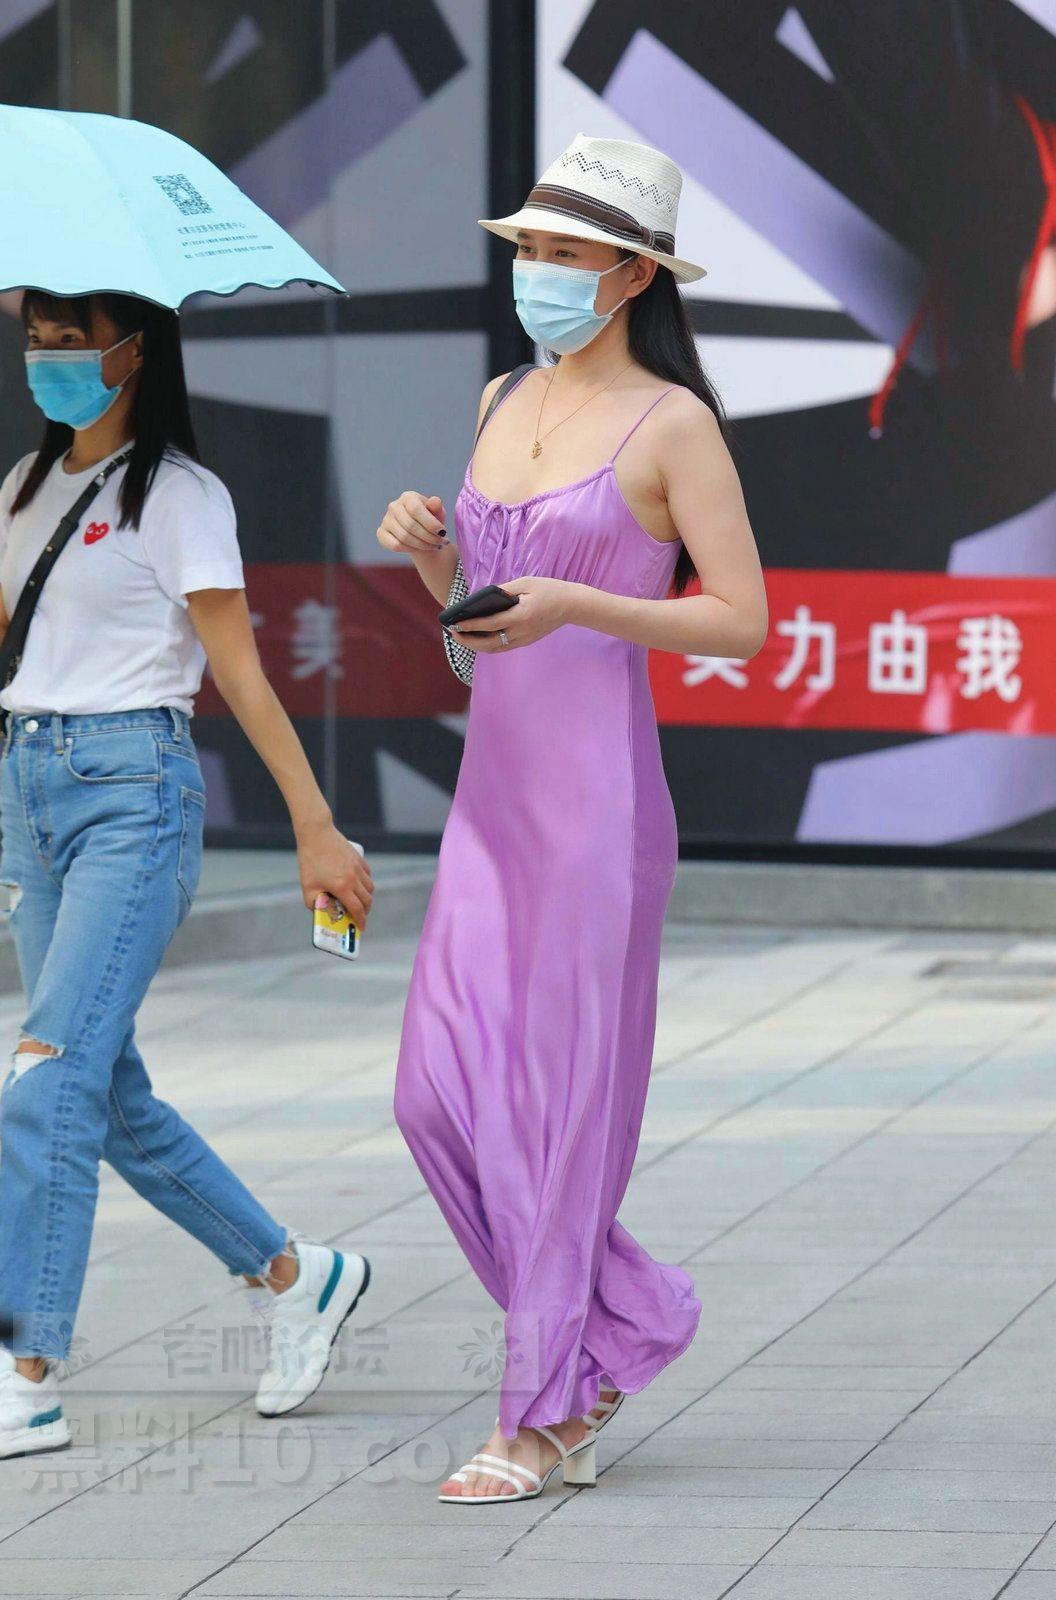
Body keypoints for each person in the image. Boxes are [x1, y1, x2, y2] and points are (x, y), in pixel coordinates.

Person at [377, 134, 768, 1503]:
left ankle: (538, 1416)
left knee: (556, 1117)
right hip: (492, 811)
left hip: (601, 811)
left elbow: (742, 620)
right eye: (526, 249)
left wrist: (582, 603)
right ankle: (623, 1326)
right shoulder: (501, 395)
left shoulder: (674, 425)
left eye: (563, 252)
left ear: (633, 274)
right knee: (431, 1097)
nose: (536, 272)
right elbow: (476, 637)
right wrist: (436, 557)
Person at [0, 289, 375, 1461]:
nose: (47, 361)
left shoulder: (179, 495)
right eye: (36, 342)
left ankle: (26, 1372)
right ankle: (296, 1275)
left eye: (71, 343)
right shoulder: (21, 485)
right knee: (104, 1093)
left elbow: (242, 676)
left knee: (45, 1080)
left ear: (133, 352)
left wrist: (316, 826)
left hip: (133, 793)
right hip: (29, 786)